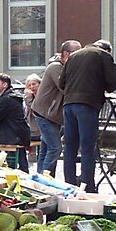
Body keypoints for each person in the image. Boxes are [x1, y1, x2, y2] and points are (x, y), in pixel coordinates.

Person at [60, 39, 116, 193]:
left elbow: (61, 83)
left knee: (70, 147)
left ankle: (69, 185)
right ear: (107, 50)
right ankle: (87, 186)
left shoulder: (74, 56)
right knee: (87, 147)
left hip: (68, 105)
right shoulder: (103, 55)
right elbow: (113, 82)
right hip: (87, 105)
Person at [33, 41, 79, 177]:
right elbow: (66, 87)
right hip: (45, 113)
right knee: (55, 148)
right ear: (66, 54)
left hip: (52, 115)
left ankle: (39, 177)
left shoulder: (65, 67)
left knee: (46, 148)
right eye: (77, 53)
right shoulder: (56, 67)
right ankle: (44, 178)